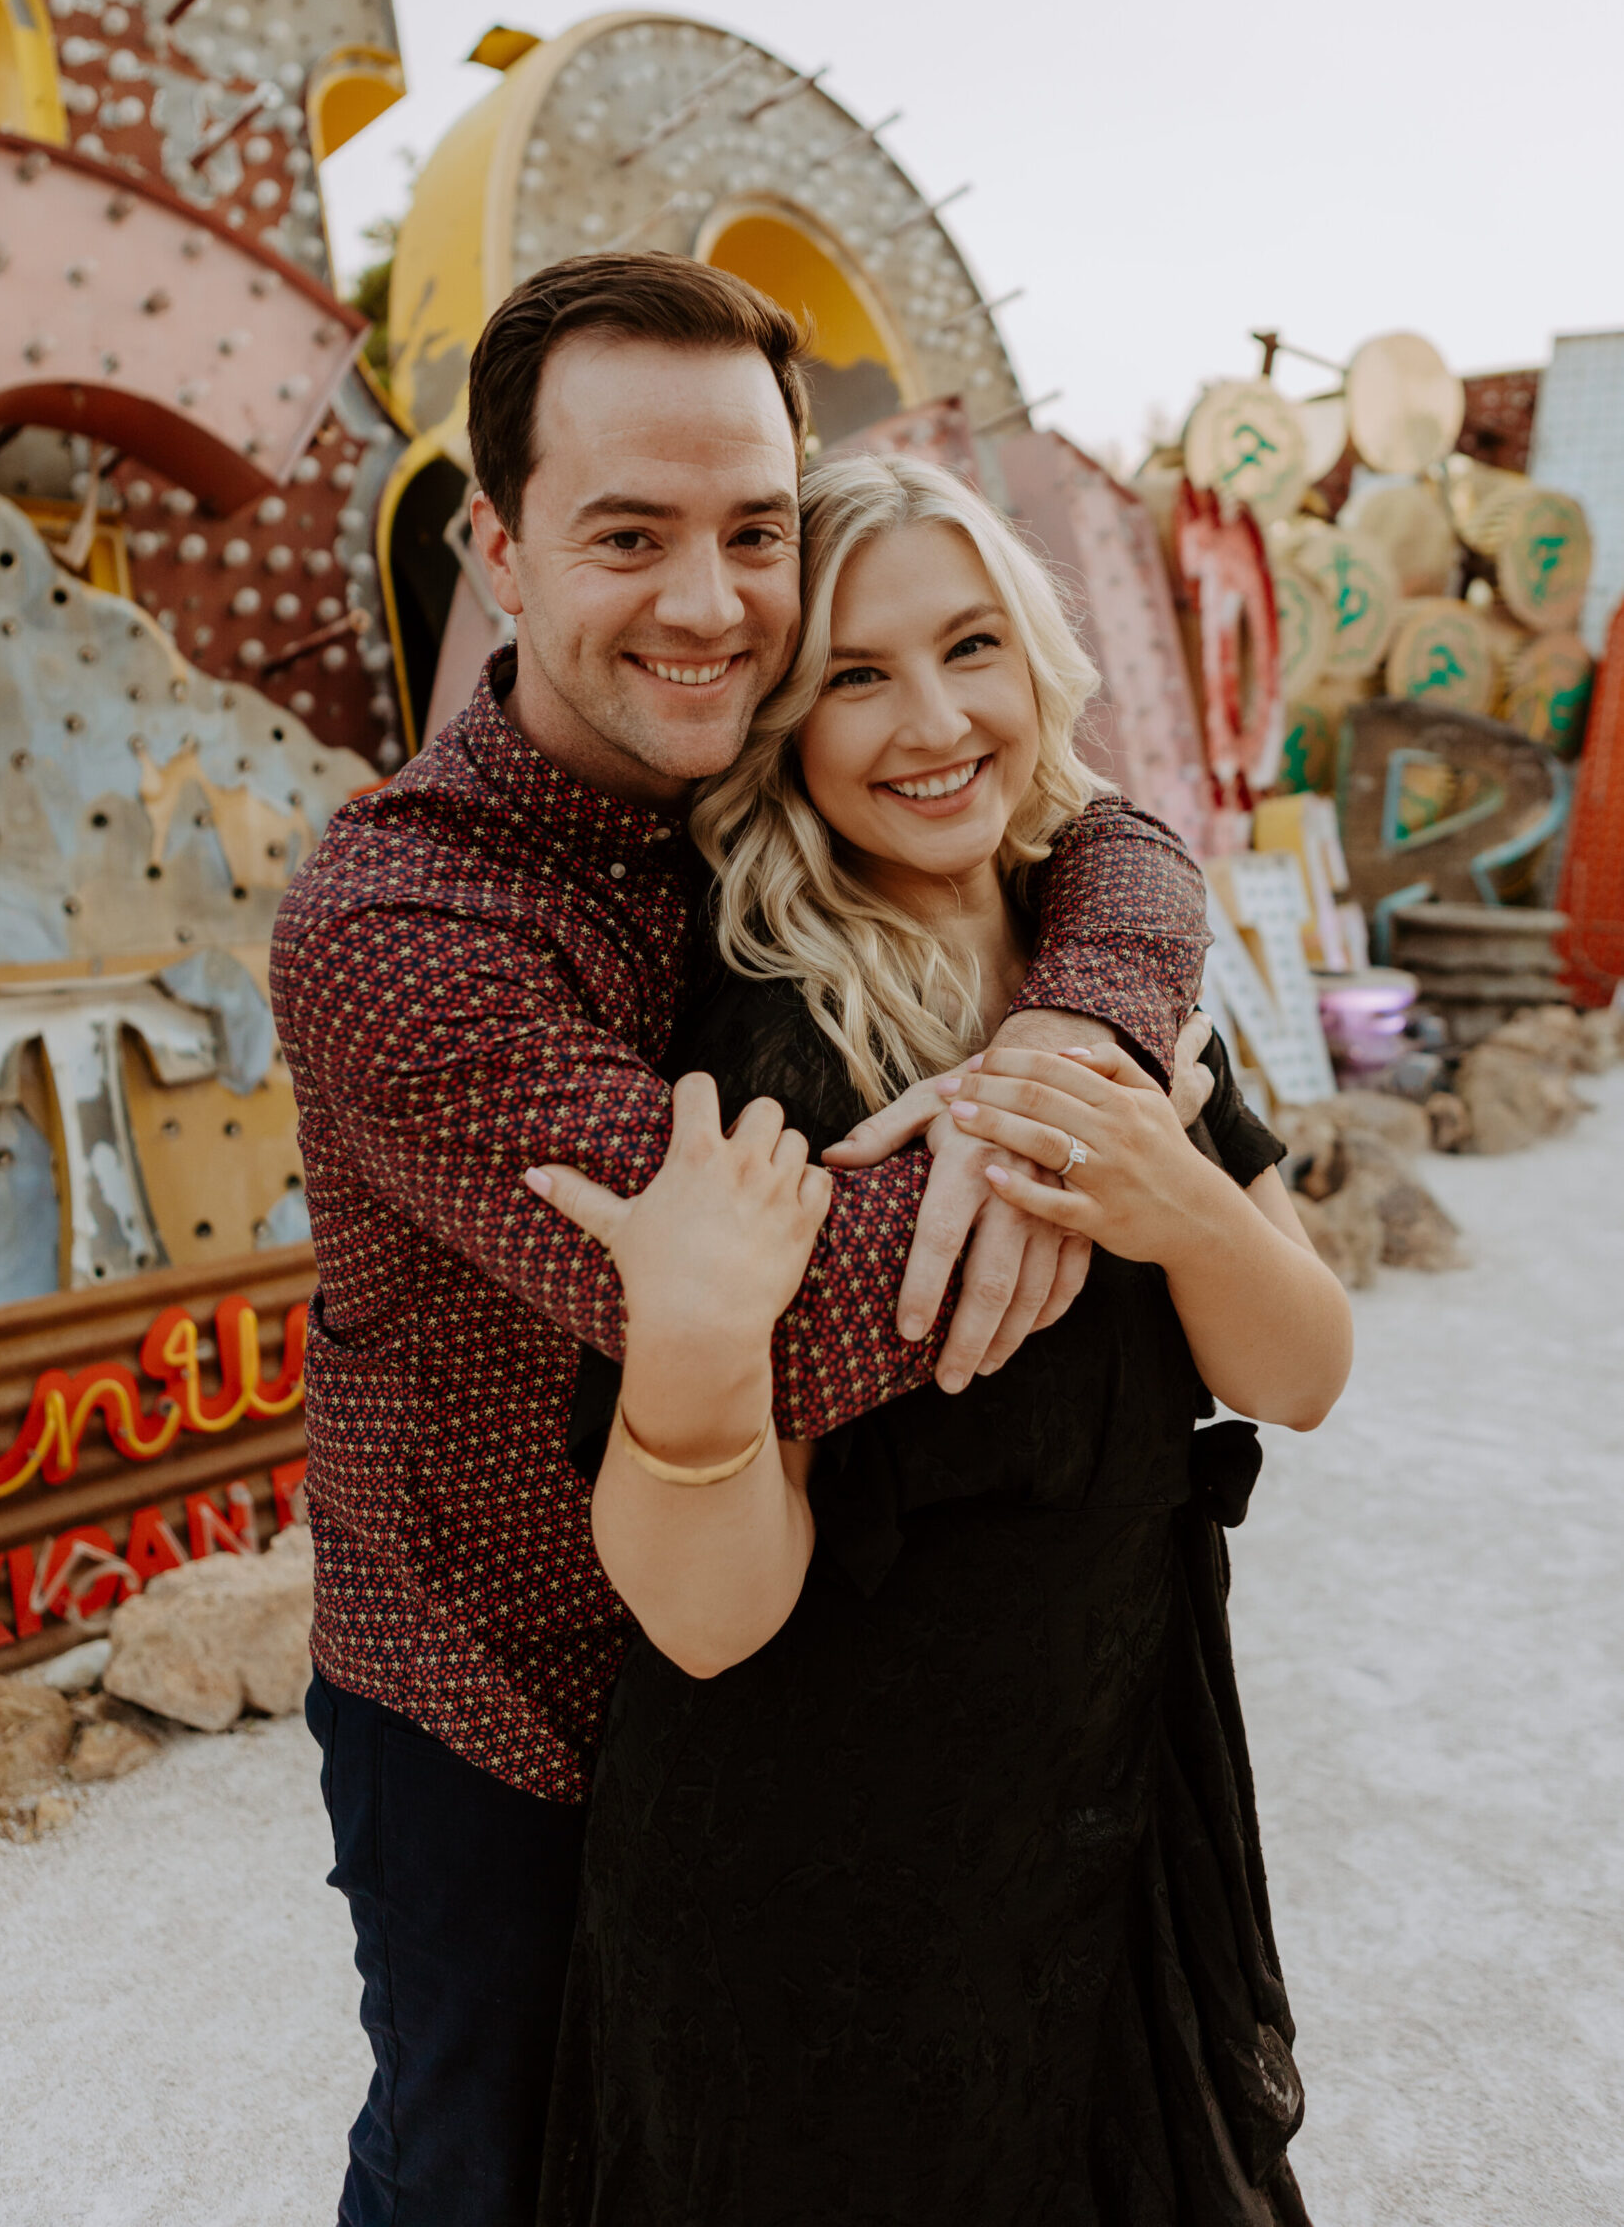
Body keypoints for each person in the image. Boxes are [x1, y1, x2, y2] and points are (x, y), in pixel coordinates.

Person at [271, 258, 1212, 2227]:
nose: (707, 601)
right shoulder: (403, 928)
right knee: (488, 2158)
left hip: (773, 1685)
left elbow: (1086, 814)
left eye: (751, 532)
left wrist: (1075, 1019)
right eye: (628, 533)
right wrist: (1082, 1158)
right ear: (498, 550)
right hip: (500, 1687)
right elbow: (761, 1314)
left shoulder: (741, 764)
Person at [530, 454, 1353, 2225]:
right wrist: (697, 1370)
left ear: (1037, 658)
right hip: (831, 1897)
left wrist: (1166, 1188)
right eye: (853, 673)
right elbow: (706, 1608)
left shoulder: (1101, 968)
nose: (933, 722)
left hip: (1113, 1806)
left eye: (969, 645)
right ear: (783, 726)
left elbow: (1299, 1370)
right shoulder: (762, 1046)